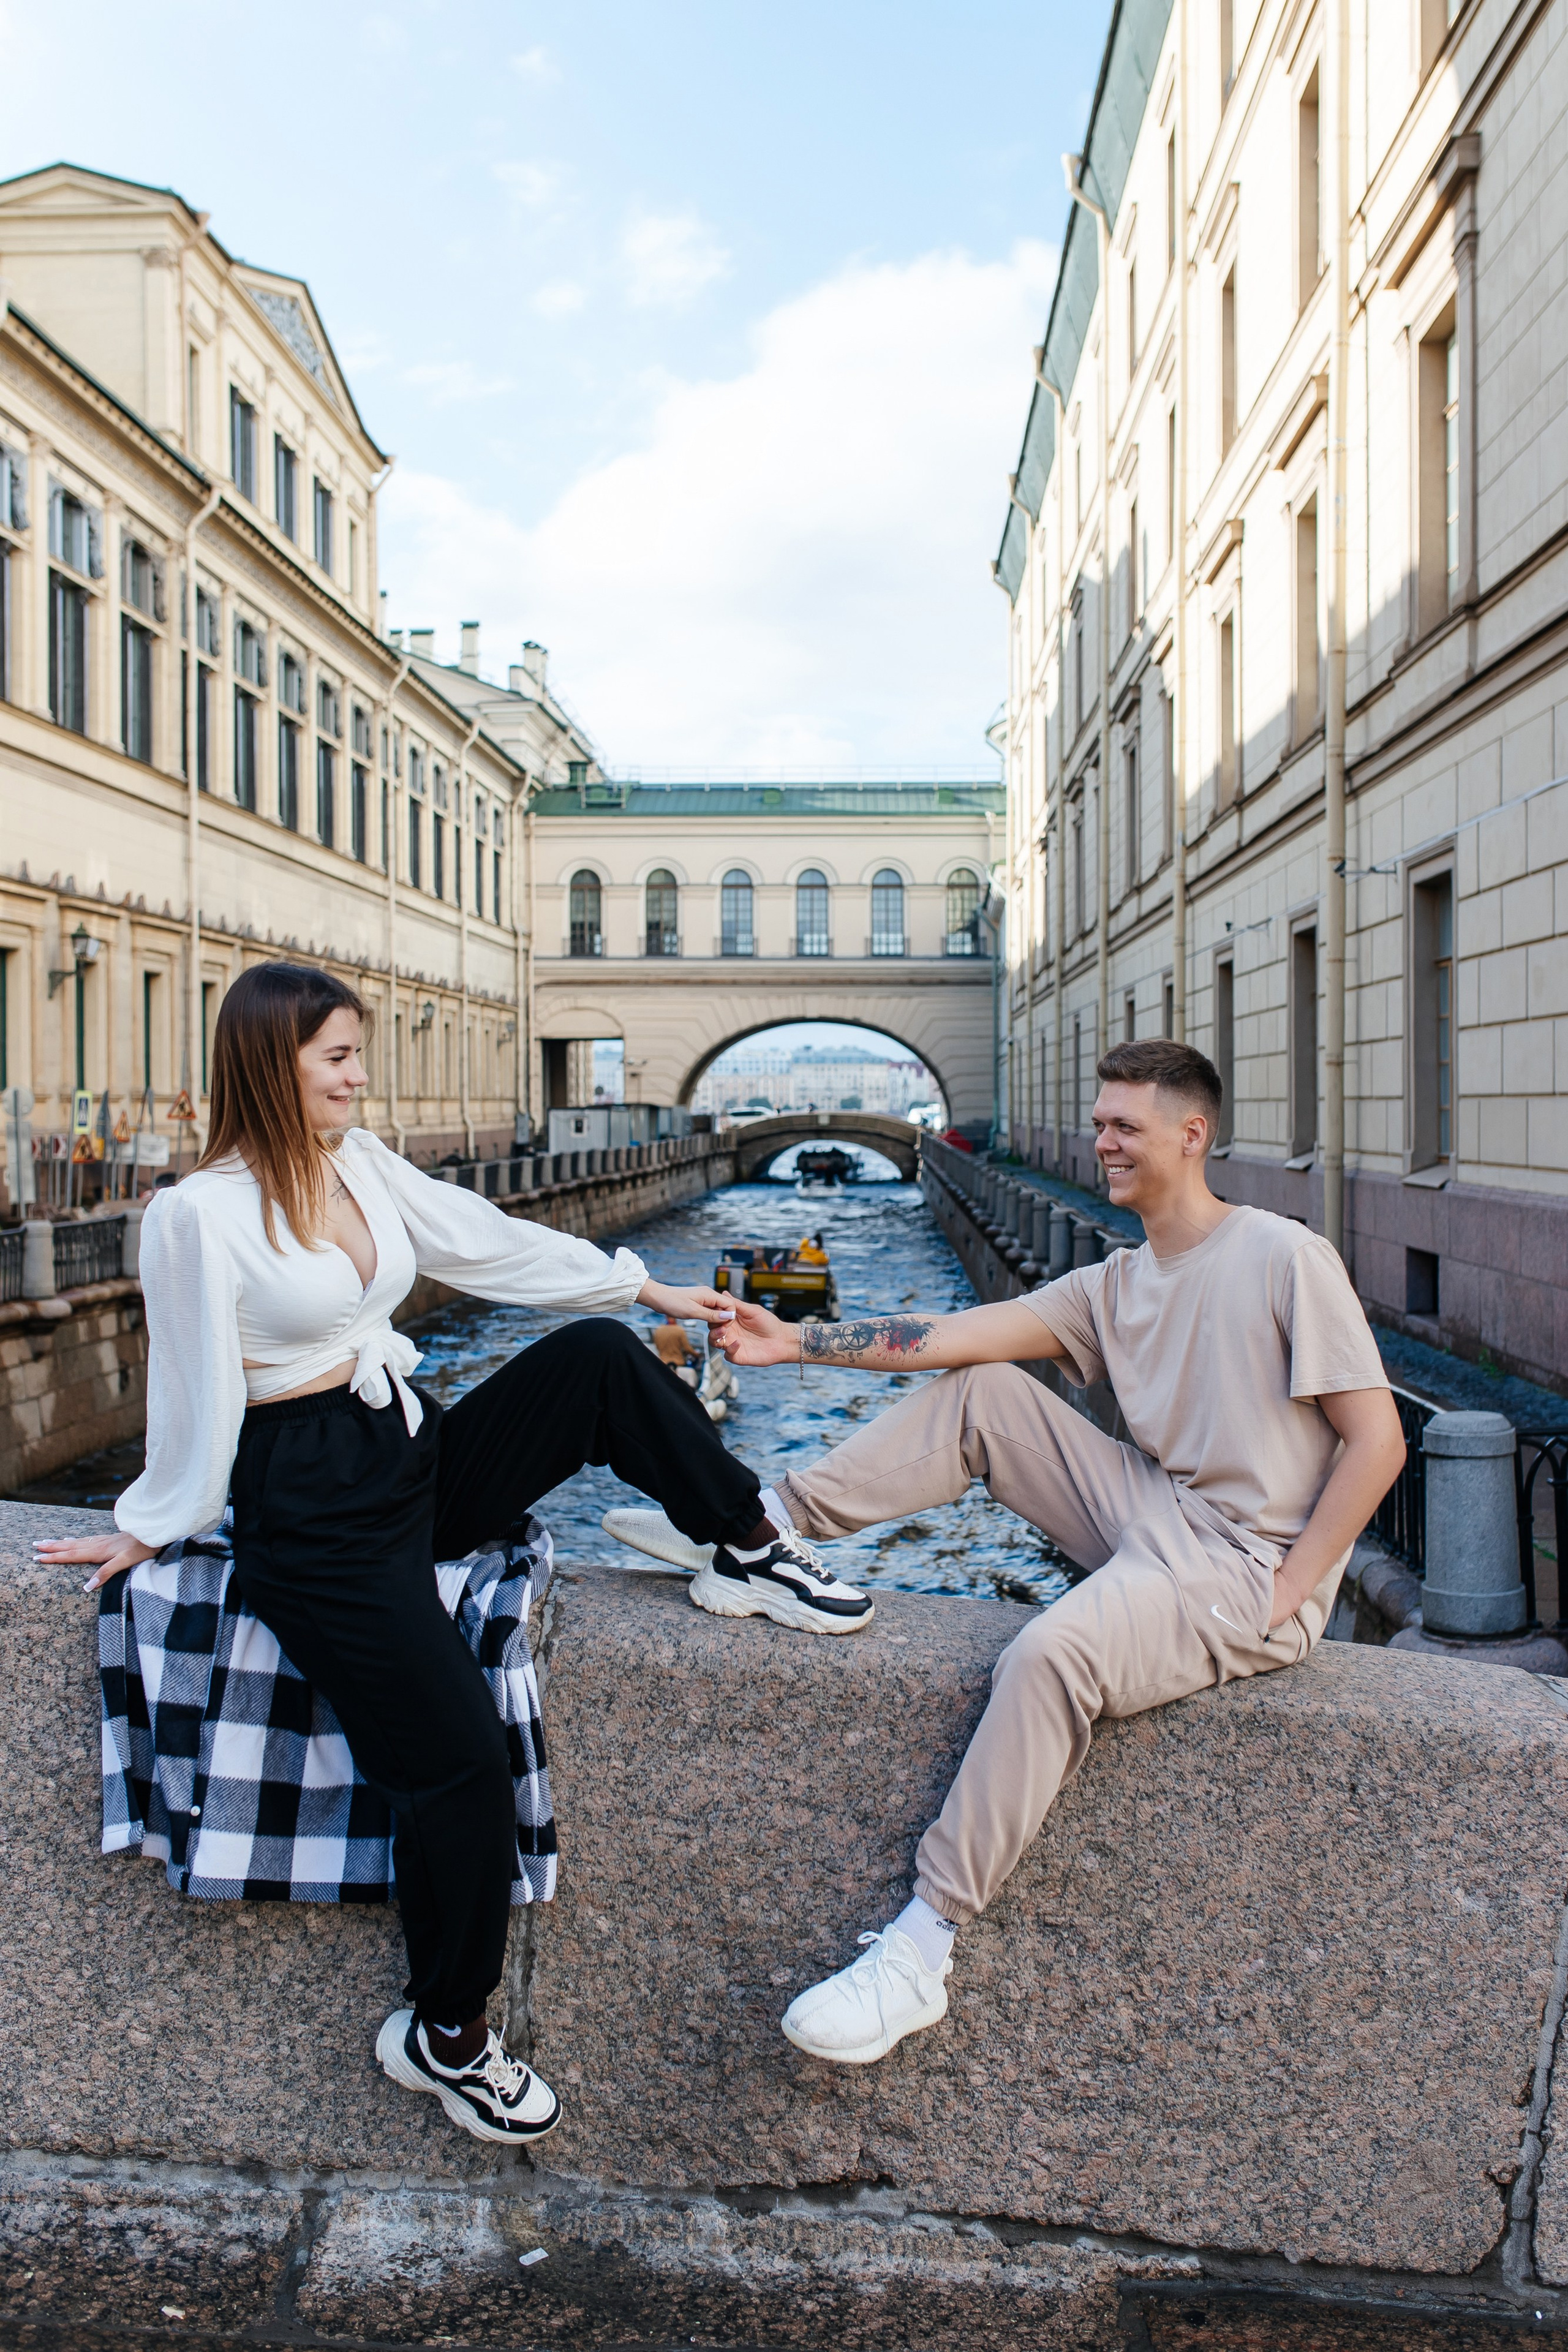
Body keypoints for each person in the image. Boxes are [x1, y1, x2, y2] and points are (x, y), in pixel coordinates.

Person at [34, 962, 870, 2148]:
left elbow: (488, 1247)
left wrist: (648, 1287)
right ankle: (448, 2034)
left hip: (403, 1449)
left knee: (592, 1358)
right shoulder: (197, 1215)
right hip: (312, 1512)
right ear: (272, 1064)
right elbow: (192, 1390)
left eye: (355, 1052)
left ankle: (745, 1544)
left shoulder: (359, 1164)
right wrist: (154, 1522)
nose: (358, 1074)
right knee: (461, 1768)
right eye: (336, 1057)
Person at [636, 1038, 1406, 2065]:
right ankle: (760, 1528)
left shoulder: (1282, 1255)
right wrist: (794, 1341)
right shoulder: (1114, 1282)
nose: (1102, 1143)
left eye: (1124, 1126)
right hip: (1153, 1512)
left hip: (1242, 1563)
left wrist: (1293, 1590)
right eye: (1100, 1124)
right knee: (988, 1390)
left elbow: (1380, 1440)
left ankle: (921, 1947)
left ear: (1193, 1135)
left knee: (1050, 1655)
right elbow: (952, 1335)